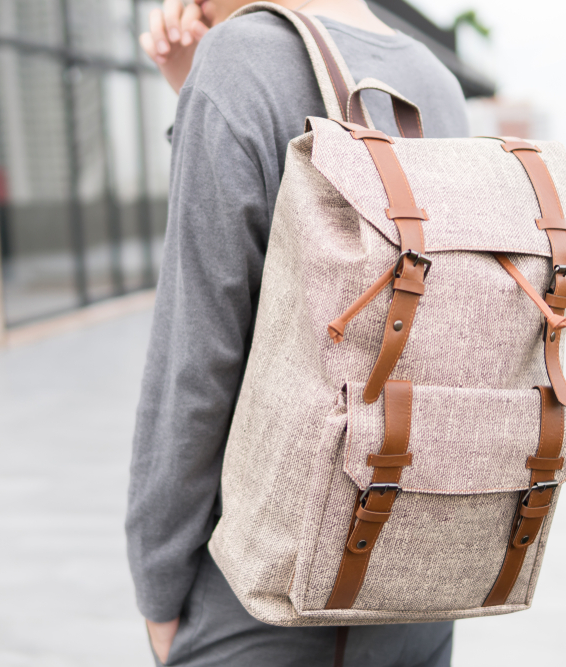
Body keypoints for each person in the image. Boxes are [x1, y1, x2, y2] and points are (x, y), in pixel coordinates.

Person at [126, 0, 470, 663]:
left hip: (265, 595)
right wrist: (194, 86)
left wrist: (158, 590)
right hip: (419, 583)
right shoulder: (434, 81)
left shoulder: (239, 63)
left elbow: (195, 365)